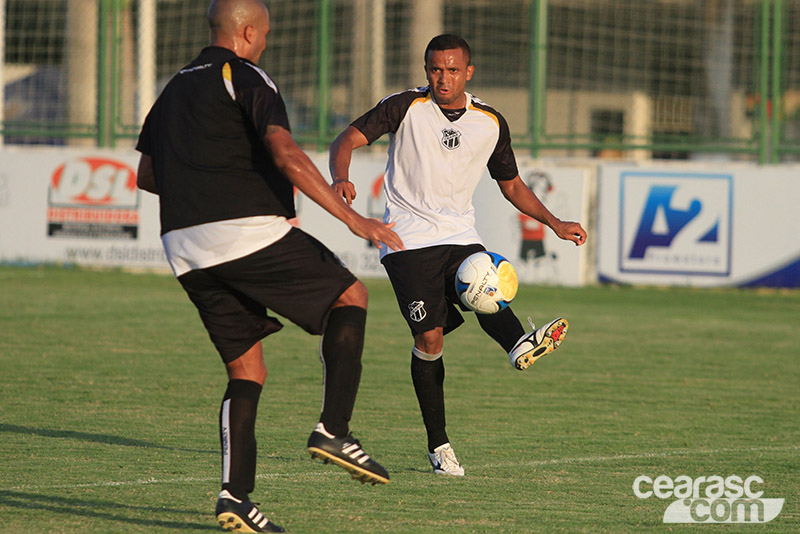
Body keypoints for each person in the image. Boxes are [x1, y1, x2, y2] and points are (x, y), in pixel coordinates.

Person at [136, 1, 404, 531]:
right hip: (243, 231)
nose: (266, 44)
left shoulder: (172, 90)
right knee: (351, 297)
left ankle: (235, 498)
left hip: (185, 248)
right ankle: (334, 429)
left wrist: (205, 186)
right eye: (264, 36)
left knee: (247, 368)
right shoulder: (246, 75)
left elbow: (147, 173)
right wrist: (352, 218)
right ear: (248, 32)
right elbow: (284, 152)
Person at [329, 34, 587, 477]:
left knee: (481, 277)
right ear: (426, 69)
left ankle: (517, 344)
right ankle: (439, 445)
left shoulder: (489, 121)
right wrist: (340, 177)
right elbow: (347, 139)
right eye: (434, 69)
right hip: (405, 240)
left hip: (457, 233)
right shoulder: (405, 106)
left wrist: (555, 223)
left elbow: (512, 185)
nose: (442, 78)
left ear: (468, 72)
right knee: (430, 341)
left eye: (451, 70)